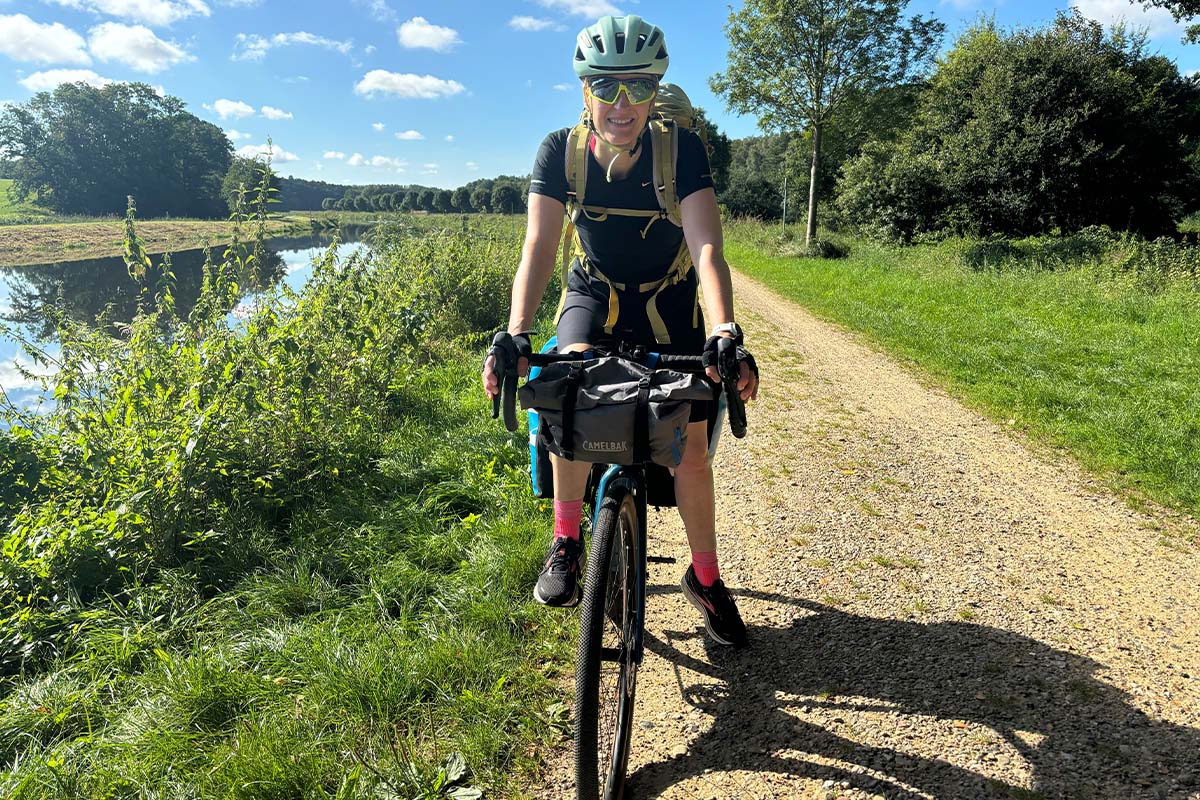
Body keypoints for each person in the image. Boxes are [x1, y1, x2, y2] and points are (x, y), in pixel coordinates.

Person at [482, 14, 759, 647]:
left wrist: (724, 330)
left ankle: (706, 579)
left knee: (689, 436)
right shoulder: (561, 150)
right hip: (594, 295)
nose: (622, 103)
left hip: (670, 300)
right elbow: (539, 246)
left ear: (655, 89)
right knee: (569, 391)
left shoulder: (681, 149)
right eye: (606, 87)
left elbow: (708, 248)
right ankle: (566, 542)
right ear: (585, 90)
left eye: (637, 86)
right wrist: (516, 331)